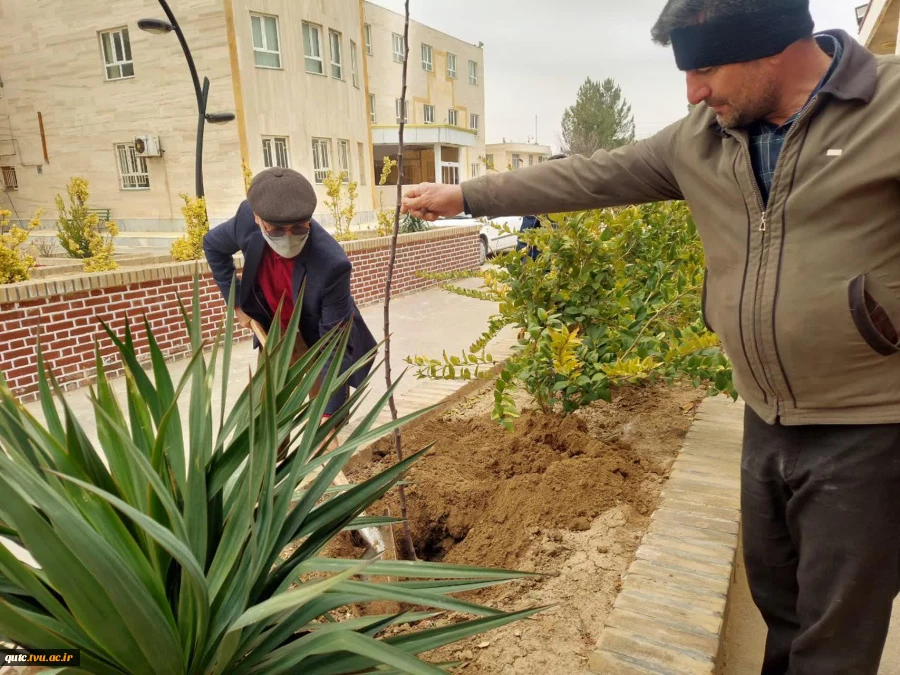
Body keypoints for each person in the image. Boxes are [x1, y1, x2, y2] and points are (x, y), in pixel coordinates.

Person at [401, 1, 900, 673]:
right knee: (780, 607)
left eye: (705, 69)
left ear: (774, 48)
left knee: (835, 641)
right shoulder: (702, 137)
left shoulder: (888, 110)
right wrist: (466, 198)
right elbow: (590, 175)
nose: (694, 92)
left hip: (870, 427)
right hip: (766, 416)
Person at [204, 167, 376, 425]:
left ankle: (324, 455)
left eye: (299, 228)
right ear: (257, 219)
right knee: (266, 418)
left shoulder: (332, 264)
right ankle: (273, 463)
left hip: (318, 339)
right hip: (273, 332)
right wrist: (236, 302)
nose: (288, 237)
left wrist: (328, 414)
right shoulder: (244, 220)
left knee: (327, 419)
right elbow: (213, 246)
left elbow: (334, 343)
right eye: (276, 229)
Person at [515, 153, 568, 260]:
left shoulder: (579, 205)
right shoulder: (537, 203)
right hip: (543, 268)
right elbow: (524, 240)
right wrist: (527, 270)